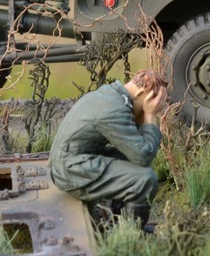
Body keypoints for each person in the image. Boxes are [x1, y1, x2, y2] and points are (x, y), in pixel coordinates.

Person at [49, 69, 169, 230]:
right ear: (141, 94)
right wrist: (150, 115)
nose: (155, 107)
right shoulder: (114, 110)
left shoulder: (111, 95)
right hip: (70, 172)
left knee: (131, 162)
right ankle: (131, 233)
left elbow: (134, 149)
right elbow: (143, 155)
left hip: (71, 160)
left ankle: (117, 216)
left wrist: (141, 114)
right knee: (145, 179)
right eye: (154, 102)